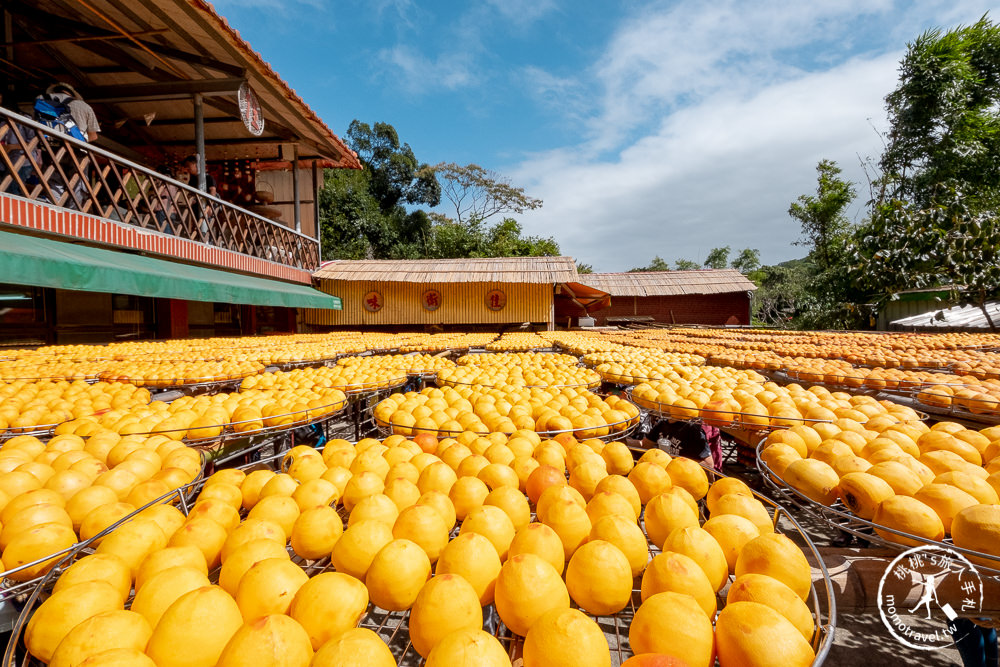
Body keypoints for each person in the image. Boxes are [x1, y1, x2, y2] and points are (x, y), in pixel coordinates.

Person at [639, 419, 714, 468]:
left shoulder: (692, 428)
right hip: (661, 471)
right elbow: (645, 444)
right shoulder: (662, 423)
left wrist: (678, 462)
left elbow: (709, 464)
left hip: (683, 477)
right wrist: (626, 441)